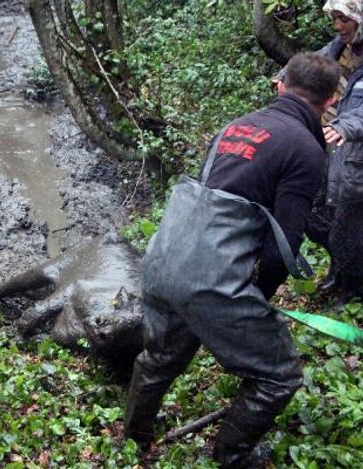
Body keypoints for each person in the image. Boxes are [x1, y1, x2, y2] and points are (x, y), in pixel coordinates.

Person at [123, 52, 340, 468]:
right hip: (211, 279)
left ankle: (135, 436)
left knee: (160, 358)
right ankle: (233, 456)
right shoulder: (306, 149)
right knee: (279, 375)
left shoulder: (235, 126)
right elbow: (285, 244)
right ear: (330, 100)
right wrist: (259, 296)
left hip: (165, 257)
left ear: (280, 84)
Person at [307, 0, 363, 304]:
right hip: (329, 151)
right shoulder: (342, 47)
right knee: (316, 216)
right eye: (335, 19)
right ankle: (339, 271)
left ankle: (352, 289)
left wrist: (347, 126)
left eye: (344, 19)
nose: (338, 26)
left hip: (355, 159)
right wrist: (288, 76)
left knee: (348, 231)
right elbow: (312, 62)